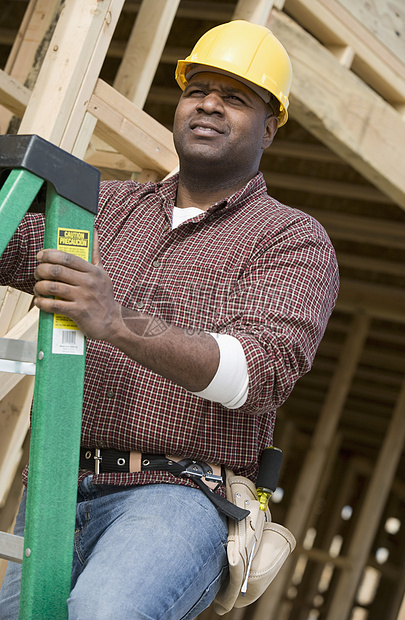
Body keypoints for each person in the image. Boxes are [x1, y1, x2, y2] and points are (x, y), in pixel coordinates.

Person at [0, 19, 339, 620]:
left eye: (234, 97)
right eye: (196, 90)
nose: (208, 104)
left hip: (177, 496)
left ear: (271, 125)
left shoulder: (291, 240)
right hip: (54, 483)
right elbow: (10, 244)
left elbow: (256, 376)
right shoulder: (104, 207)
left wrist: (115, 320)